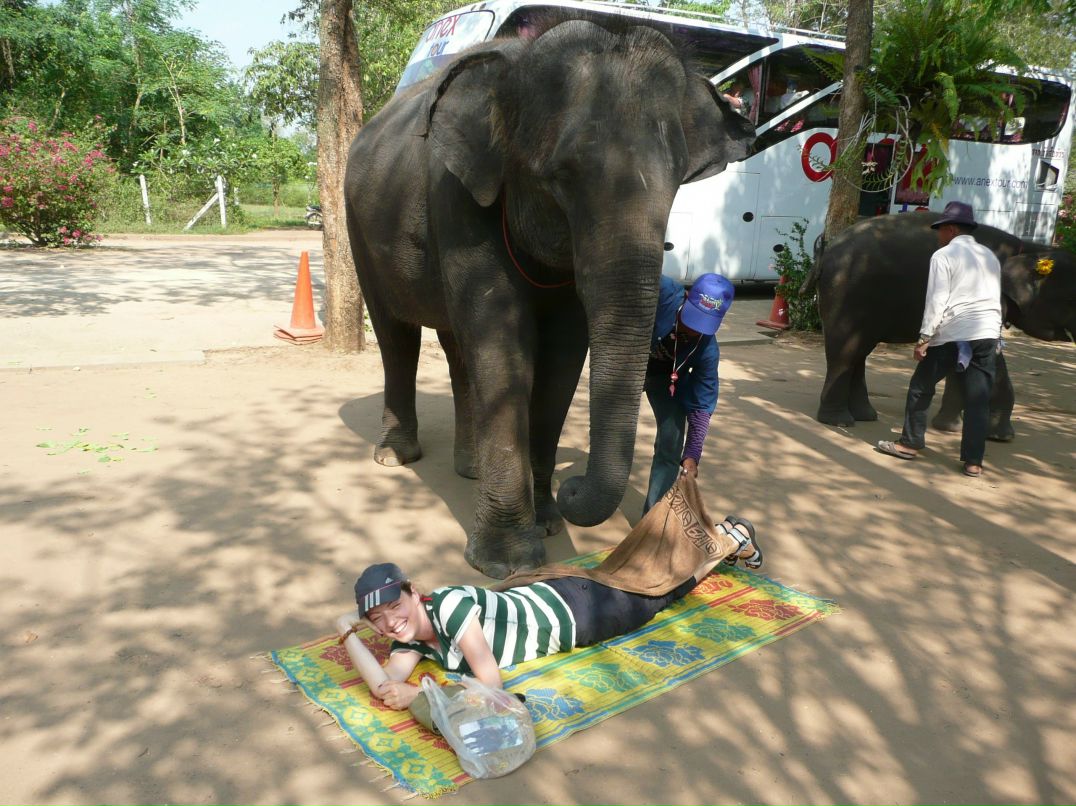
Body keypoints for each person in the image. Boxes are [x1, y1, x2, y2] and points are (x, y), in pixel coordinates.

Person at [334, 480, 764, 712]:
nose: (390, 622)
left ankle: (734, 538)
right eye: (377, 619)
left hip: (578, 613)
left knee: (659, 593)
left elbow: (491, 686)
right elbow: (385, 685)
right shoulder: (409, 639)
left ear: (414, 593)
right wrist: (346, 631)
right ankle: (726, 535)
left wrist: (420, 696)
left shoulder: (449, 607)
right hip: (555, 594)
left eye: (395, 606)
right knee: (636, 574)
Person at [876, 201, 1002, 477]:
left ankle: (909, 444)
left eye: (941, 230)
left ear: (952, 229)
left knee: (921, 387)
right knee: (978, 399)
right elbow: (994, 296)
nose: (938, 235)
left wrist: (924, 337)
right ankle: (973, 462)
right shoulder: (989, 256)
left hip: (955, 333)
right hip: (988, 333)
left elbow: (937, 300)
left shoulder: (943, 255)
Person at [642, 273, 734, 515]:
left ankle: (652, 517)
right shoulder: (662, 291)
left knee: (671, 445)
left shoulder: (707, 349)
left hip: (666, 379)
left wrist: (692, 454)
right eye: (693, 317)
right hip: (629, 364)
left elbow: (702, 406)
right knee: (613, 433)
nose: (693, 329)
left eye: (703, 324)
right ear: (686, 297)